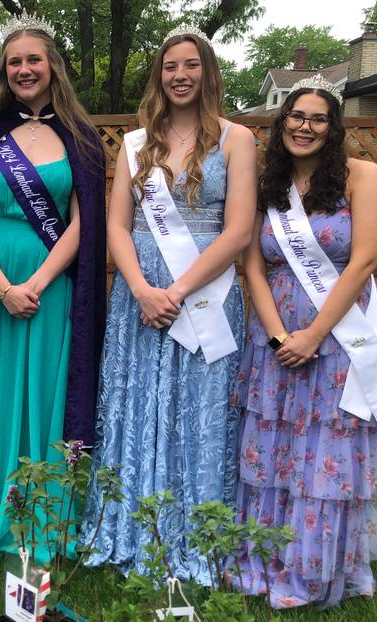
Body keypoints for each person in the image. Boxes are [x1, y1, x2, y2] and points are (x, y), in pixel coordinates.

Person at [79, 25, 257, 582]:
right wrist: (139, 289)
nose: (180, 76)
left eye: (191, 65)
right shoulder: (134, 143)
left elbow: (239, 231)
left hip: (205, 291)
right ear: (159, 75)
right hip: (140, 291)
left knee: (199, 407)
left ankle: (195, 529)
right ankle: (130, 526)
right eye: (170, 66)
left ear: (208, 71)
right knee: (139, 406)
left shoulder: (237, 139)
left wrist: (176, 292)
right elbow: (116, 223)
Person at [230, 76, 377, 608]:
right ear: (282, 121)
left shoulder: (363, 175)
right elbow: (253, 266)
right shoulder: (270, 183)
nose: (304, 127)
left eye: (317, 119)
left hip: (336, 337)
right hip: (273, 336)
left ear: (333, 128)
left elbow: (365, 261)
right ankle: (264, 555)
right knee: (276, 445)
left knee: (323, 447)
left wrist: (311, 334)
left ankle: (316, 567)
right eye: (296, 116)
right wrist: (281, 333)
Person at [0, 12, 107, 559]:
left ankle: (43, 509)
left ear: (52, 66)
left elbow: (86, 221)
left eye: (34, 60)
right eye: (15, 63)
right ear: (3, 72)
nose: (25, 69)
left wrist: (37, 280)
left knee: (43, 390)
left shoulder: (81, 138)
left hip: (50, 283)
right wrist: (6, 285)